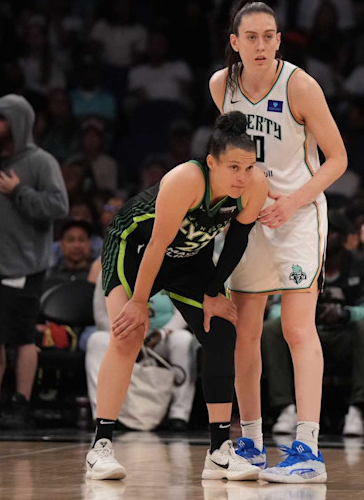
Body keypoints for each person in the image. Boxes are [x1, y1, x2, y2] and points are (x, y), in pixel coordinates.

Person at [208, 0, 348, 483]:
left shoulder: (300, 85)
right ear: (235, 43)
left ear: (279, 40)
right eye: (252, 37)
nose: (262, 44)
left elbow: (337, 159)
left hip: (296, 217)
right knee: (244, 333)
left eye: (270, 36)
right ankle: (249, 442)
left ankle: (308, 448)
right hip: (247, 220)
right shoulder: (220, 86)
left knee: (295, 329)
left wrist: (290, 201)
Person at [85, 112, 268, 481]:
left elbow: (236, 241)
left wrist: (214, 292)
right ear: (211, 162)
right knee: (128, 333)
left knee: (221, 330)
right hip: (134, 248)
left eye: (248, 168)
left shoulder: (254, 186)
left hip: (188, 259)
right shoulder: (185, 179)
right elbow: (157, 243)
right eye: (233, 167)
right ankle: (100, 447)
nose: (242, 177)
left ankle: (219, 451)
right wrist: (139, 302)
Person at [0, 94, 69, 430]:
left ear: (17, 123)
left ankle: (21, 404)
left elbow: (58, 206)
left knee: (21, 338)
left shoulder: (40, 162)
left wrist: (20, 192)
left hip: (21, 269)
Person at [263, 211, 364, 437]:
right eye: (322, 227)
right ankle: (286, 409)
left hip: (342, 336)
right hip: (304, 334)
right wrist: (305, 312)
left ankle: (357, 409)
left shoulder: (361, 264)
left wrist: (345, 313)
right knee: (271, 328)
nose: (325, 233)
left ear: (345, 237)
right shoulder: (300, 261)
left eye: (332, 230)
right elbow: (277, 307)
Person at [85, 278, 198, 432]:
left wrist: (164, 332)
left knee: (183, 340)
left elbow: (183, 310)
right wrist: (126, 336)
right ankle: (102, 415)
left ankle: (179, 414)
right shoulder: (110, 267)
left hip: (159, 338)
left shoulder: (172, 262)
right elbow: (100, 315)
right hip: (123, 335)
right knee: (96, 340)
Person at [45, 218, 94, 289]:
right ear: (61, 244)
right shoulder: (49, 276)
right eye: (70, 240)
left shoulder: (99, 276)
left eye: (82, 239)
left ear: (89, 243)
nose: (76, 245)